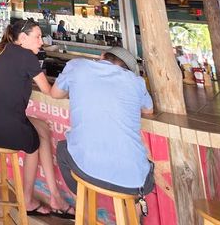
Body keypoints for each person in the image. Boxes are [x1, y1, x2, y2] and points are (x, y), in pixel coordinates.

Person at [0, 19, 74, 218]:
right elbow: (50, 91)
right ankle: (28, 199)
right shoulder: (27, 57)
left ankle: (55, 196)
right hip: (5, 127)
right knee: (33, 145)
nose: (41, 42)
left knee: (43, 129)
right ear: (22, 38)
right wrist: (70, 83)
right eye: (37, 37)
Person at [50, 47, 155, 199]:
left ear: (102, 56)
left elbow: (55, 93)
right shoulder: (136, 82)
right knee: (137, 178)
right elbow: (148, 111)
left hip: (85, 172)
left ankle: (83, 204)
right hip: (135, 182)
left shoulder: (77, 66)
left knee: (62, 148)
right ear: (128, 70)